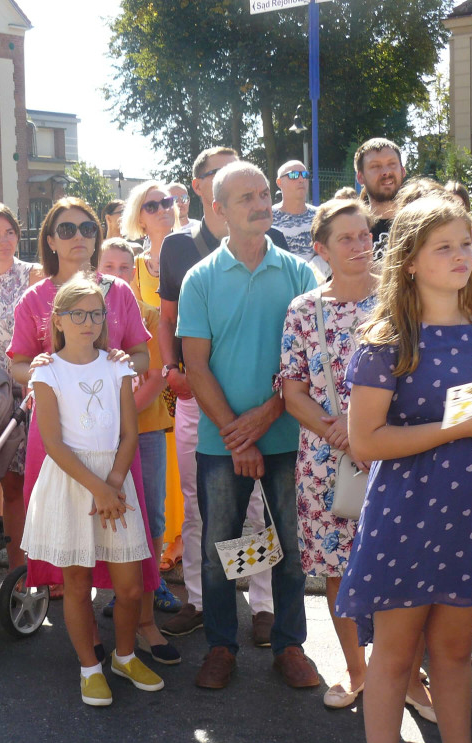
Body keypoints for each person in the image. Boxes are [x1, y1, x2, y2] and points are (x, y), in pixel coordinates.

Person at [336, 195, 472, 743]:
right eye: (444, 246)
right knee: (393, 657)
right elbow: (367, 441)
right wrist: (461, 427)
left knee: (453, 652)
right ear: (411, 261)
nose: (461, 255)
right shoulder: (388, 338)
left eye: (466, 243)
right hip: (407, 511)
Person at [8, 198, 176, 662]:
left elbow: (142, 356)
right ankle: (90, 648)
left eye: (85, 227)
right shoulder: (35, 298)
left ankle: (143, 625)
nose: (78, 236)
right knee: (76, 543)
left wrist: (126, 359)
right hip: (59, 439)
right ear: (50, 239)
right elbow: (18, 364)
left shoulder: (118, 292)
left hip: (116, 432)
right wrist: (38, 366)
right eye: (66, 229)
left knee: (131, 531)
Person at [178, 161, 318, 690]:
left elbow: (306, 361)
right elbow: (196, 365)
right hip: (222, 443)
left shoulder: (301, 274)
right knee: (222, 550)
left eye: (264, 194)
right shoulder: (200, 279)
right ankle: (220, 645)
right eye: (247, 198)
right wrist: (238, 434)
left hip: (286, 435)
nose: (262, 204)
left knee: (289, 548)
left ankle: (290, 645)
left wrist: (265, 418)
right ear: (218, 210)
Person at [19, 273, 163, 706]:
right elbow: (55, 444)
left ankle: (123, 655)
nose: (88, 321)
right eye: (77, 313)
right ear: (57, 320)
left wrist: (114, 485)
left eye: (96, 313)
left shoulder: (118, 365)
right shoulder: (46, 373)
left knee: (131, 587)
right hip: (71, 482)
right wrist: (97, 489)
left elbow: (129, 435)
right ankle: (89, 667)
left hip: (114, 485)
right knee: (77, 584)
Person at [158, 147, 277, 646]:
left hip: (260, 408)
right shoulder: (179, 247)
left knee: (256, 508)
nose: (252, 196)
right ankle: (202, 600)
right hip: (196, 400)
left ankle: (262, 605)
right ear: (203, 186)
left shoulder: (271, 243)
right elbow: (167, 318)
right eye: (215, 173)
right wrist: (173, 369)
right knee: (199, 504)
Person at [279, 198, 376, 707]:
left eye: (365, 235)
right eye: (347, 238)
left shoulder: (400, 301)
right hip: (327, 461)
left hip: (393, 454)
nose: (361, 245)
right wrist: (341, 432)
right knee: (338, 566)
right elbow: (292, 390)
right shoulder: (305, 309)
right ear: (321, 249)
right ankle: (357, 671)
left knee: (397, 566)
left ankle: (405, 676)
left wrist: (365, 431)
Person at [99, 238, 182, 615]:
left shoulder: (147, 314)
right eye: (108, 266)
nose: (116, 274)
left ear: (133, 273)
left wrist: (122, 417)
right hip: (97, 434)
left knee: (150, 508)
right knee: (112, 508)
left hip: (144, 428)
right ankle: (120, 586)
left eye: (123, 267)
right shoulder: (86, 318)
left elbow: (156, 376)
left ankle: (153, 581)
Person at [0, 203, 43, 570]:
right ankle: (20, 572)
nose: (3, 240)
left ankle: (53, 569)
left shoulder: (34, 274)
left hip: (35, 387)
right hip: (1, 392)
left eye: (9, 232)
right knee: (12, 485)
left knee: (41, 484)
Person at [121, 182, 176, 309]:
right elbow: (139, 318)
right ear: (139, 219)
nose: (162, 209)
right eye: (151, 207)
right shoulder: (136, 266)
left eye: (166, 202)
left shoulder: (192, 252)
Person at [354, 138, 406, 258]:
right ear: (360, 177)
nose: (386, 172)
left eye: (392, 164)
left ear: (403, 171)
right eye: (375, 166)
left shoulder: (419, 224)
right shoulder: (352, 231)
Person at [272, 160, 322, 272]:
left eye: (305, 175)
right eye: (293, 175)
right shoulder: (267, 217)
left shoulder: (320, 216)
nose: (301, 179)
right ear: (279, 182)